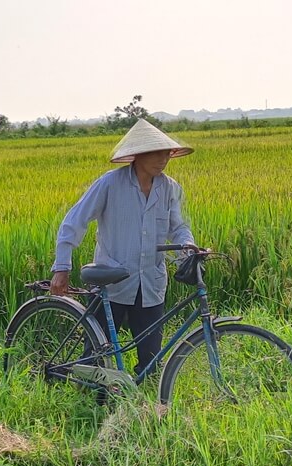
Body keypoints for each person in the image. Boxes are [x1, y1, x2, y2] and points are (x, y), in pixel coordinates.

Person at [49, 118, 196, 376]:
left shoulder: (170, 188)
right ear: (137, 155)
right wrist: (62, 267)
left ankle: (145, 403)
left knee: (150, 359)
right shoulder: (110, 184)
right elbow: (74, 221)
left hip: (150, 282)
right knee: (95, 356)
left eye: (166, 152)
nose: (163, 158)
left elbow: (178, 226)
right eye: (156, 152)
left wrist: (188, 246)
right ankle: (89, 398)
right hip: (112, 281)